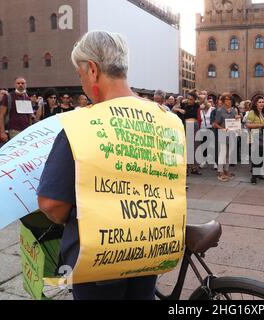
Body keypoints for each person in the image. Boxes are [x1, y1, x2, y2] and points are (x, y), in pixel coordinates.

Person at [37, 30, 159, 300]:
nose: (81, 85)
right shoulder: (164, 118)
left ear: (92, 70)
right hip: (150, 252)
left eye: (79, 75)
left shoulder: (82, 124)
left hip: (100, 261)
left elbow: (51, 204)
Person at [214, 92, 240, 182]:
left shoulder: (234, 110)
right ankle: (220, 171)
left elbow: (237, 123)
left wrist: (238, 118)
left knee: (229, 153)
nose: (228, 101)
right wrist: (222, 128)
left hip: (232, 134)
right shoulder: (219, 110)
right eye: (226, 100)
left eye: (230, 100)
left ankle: (226, 170)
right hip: (223, 133)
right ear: (223, 101)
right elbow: (215, 124)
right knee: (223, 153)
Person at [246, 96, 264, 184]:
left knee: (262, 156)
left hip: (263, 137)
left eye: (262, 102)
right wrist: (261, 125)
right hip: (254, 137)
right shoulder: (252, 112)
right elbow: (248, 125)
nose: (261, 104)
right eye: (259, 102)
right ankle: (253, 176)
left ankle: (258, 173)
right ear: (256, 103)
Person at [0, 77, 32, 141]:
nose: (20, 85)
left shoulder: (27, 98)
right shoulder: (8, 96)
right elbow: (1, 115)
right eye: (18, 83)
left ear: (26, 85)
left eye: (22, 83)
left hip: (26, 130)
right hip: (14, 129)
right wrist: (2, 132)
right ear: (15, 85)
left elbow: (29, 115)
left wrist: (30, 128)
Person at [183, 92, 201, 175]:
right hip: (186, 125)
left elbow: (204, 101)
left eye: (191, 99)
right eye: (188, 99)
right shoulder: (184, 106)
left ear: (194, 100)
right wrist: (179, 109)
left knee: (195, 146)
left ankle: (194, 167)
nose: (189, 101)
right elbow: (173, 109)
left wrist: (198, 95)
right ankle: (186, 167)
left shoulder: (197, 106)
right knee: (187, 147)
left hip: (195, 125)